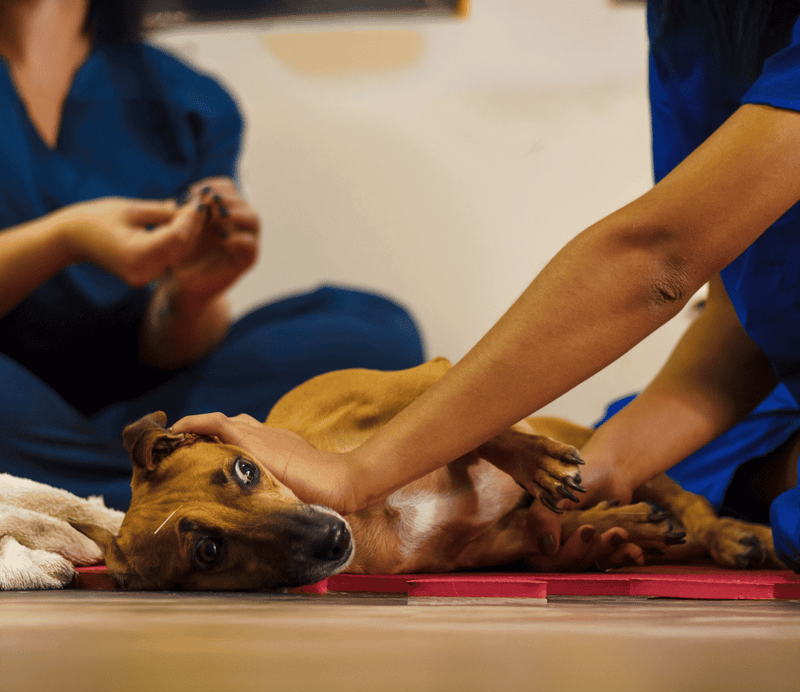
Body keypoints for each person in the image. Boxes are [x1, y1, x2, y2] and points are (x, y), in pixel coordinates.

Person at [173, 0, 800, 573]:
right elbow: (752, 303)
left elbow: (661, 257)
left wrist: (356, 474)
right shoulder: (690, 25)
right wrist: (616, 459)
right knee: (618, 455)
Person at [0, 0, 424, 511]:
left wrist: (193, 294)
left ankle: (98, 481)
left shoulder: (189, 100)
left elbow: (166, 346)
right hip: (14, 392)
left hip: (151, 408)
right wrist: (63, 239)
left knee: (376, 334)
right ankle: (177, 480)